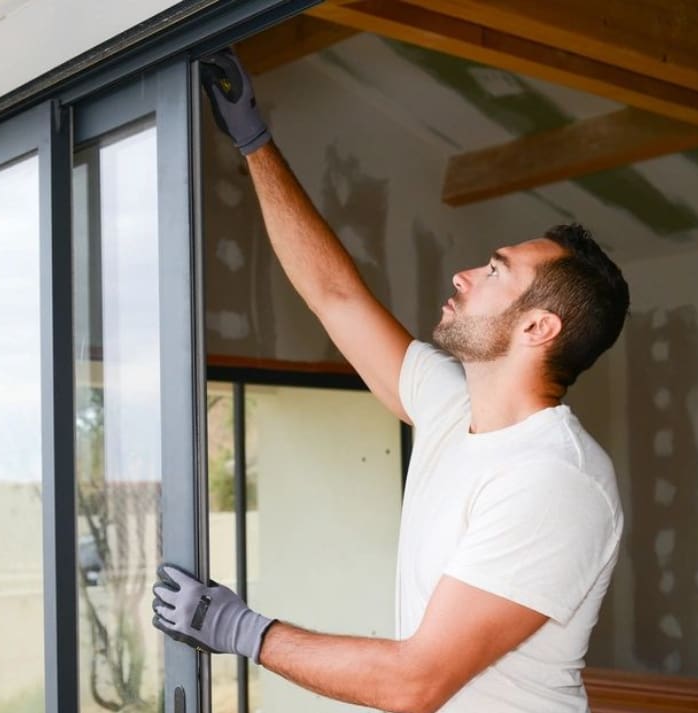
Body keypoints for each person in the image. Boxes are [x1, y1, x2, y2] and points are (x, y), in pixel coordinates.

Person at [151, 50, 630, 713]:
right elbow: (335, 296)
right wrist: (254, 141)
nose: (464, 274)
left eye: (495, 271)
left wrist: (239, 629)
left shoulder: (555, 478)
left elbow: (415, 681)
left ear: (538, 329)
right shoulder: (449, 405)